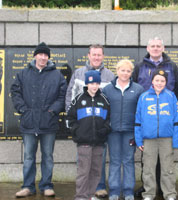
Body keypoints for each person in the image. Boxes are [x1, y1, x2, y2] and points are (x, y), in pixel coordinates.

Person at [10, 42, 67, 198]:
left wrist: (52, 111)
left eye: (45, 55)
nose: (43, 57)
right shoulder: (23, 74)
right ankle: (28, 186)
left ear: (48, 57)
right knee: (29, 156)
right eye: (40, 54)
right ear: (35, 55)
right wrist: (22, 109)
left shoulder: (57, 75)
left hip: (48, 123)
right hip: (29, 123)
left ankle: (46, 185)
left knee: (47, 156)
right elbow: (15, 92)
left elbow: (62, 96)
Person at [132, 37, 178, 197]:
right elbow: (138, 119)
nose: (159, 83)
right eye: (156, 80)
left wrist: (176, 139)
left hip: (166, 137)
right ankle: (149, 193)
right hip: (149, 137)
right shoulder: (143, 97)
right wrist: (139, 139)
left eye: (162, 80)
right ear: (151, 82)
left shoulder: (172, 96)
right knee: (148, 168)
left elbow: (177, 120)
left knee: (168, 167)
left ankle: (170, 193)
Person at [65, 44, 114, 198]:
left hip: (99, 135)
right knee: (83, 169)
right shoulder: (78, 73)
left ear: (103, 56)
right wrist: (76, 129)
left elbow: (109, 109)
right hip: (84, 135)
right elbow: (70, 99)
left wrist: (105, 128)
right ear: (88, 55)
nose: (96, 57)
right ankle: (81, 195)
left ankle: (94, 192)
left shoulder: (110, 75)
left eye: (99, 55)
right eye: (94, 54)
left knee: (96, 168)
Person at [102, 59, 144, 200]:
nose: (125, 73)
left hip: (129, 131)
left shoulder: (138, 89)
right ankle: (114, 191)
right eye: (122, 70)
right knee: (114, 160)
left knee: (128, 160)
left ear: (131, 73)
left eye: (128, 71)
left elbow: (141, 112)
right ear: (117, 71)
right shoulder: (107, 89)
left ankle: (128, 191)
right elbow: (103, 110)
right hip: (112, 131)